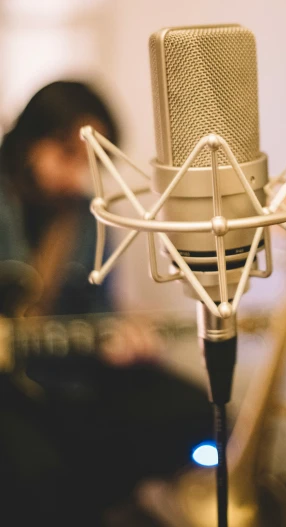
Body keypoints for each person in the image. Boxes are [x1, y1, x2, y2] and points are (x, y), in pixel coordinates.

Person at [0, 80, 212, 527]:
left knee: (196, 410)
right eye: (64, 153)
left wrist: (122, 339)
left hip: (63, 372)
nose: (74, 174)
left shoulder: (87, 219)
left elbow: (99, 313)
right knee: (38, 471)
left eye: (90, 163)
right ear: (29, 137)